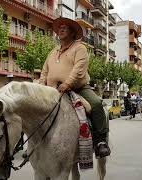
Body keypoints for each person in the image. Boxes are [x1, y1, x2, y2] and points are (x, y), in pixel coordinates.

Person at [39, 17, 110, 158]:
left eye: (66, 27)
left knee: (96, 104)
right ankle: (37, 144)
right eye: (60, 27)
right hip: (53, 91)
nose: (61, 29)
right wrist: (40, 88)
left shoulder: (80, 48)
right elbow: (44, 72)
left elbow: (79, 70)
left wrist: (67, 84)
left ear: (72, 33)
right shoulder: (52, 52)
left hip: (78, 89)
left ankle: (100, 141)